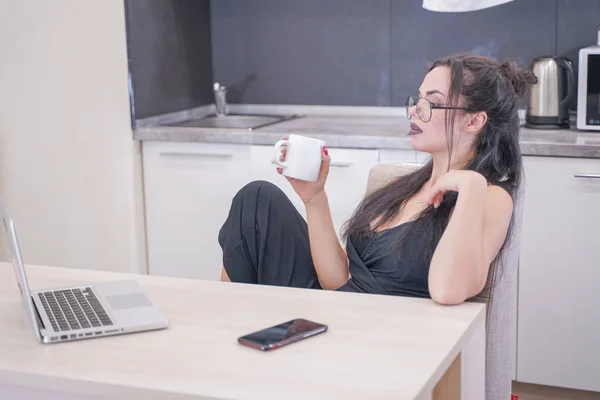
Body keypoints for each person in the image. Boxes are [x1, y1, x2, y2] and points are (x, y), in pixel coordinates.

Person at [217, 53, 537, 305]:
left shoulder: (490, 196)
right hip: (342, 307)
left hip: (379, 332)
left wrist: (471, 186)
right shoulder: (402, 188)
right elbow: (339, 280)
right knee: (257, 199)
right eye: (417, 100)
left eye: (432, 103)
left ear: (475, 121)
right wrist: (314, 198)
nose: (415, 111)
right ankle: (227, 333)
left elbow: (449, 290)